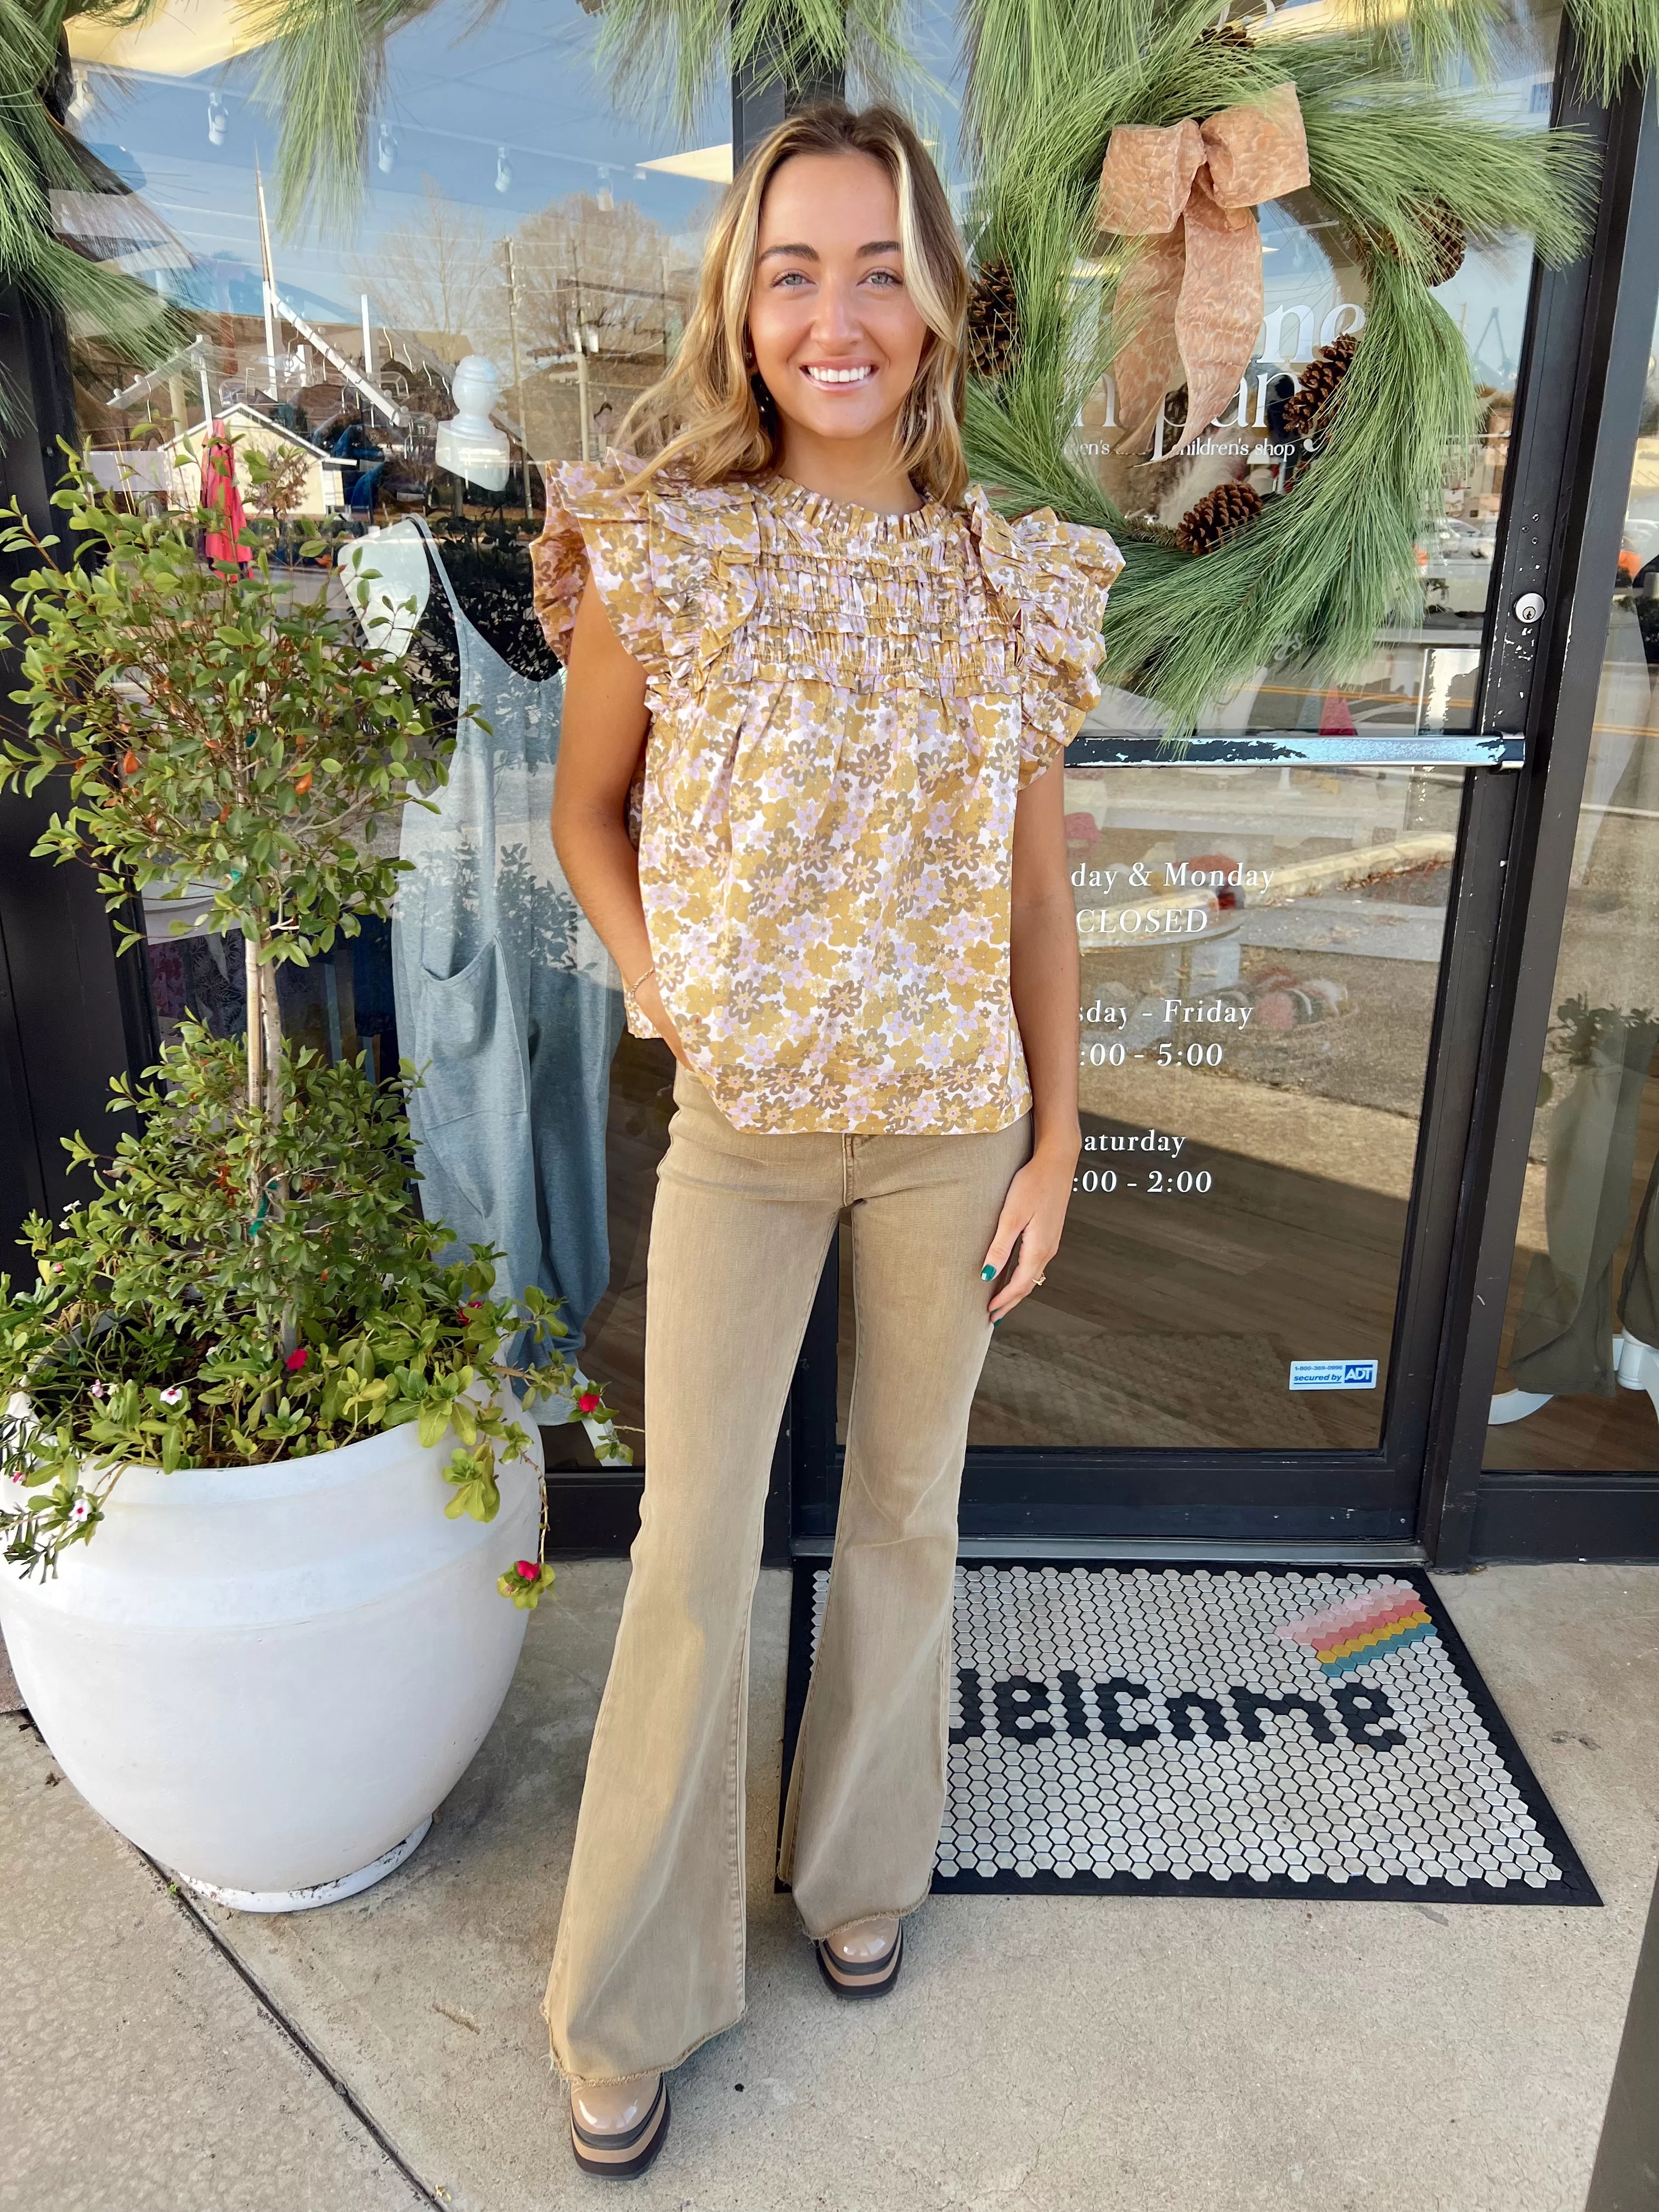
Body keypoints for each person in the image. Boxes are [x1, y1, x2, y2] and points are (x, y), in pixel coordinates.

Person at [532, 99, 1122, 2179]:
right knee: (691, 1552)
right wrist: (651, 973)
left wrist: (1055, 1142)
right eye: (796, 270)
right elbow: (582, 812)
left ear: (941, 302)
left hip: (952, 1135)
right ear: (742, 299)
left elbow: (1038, 897)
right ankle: (629, 1990)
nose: (838, 312)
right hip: (751, 1140)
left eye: (880, 267)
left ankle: (860, 1865)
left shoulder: (1014, 579)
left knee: (903, 1513)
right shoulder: (665, 547)